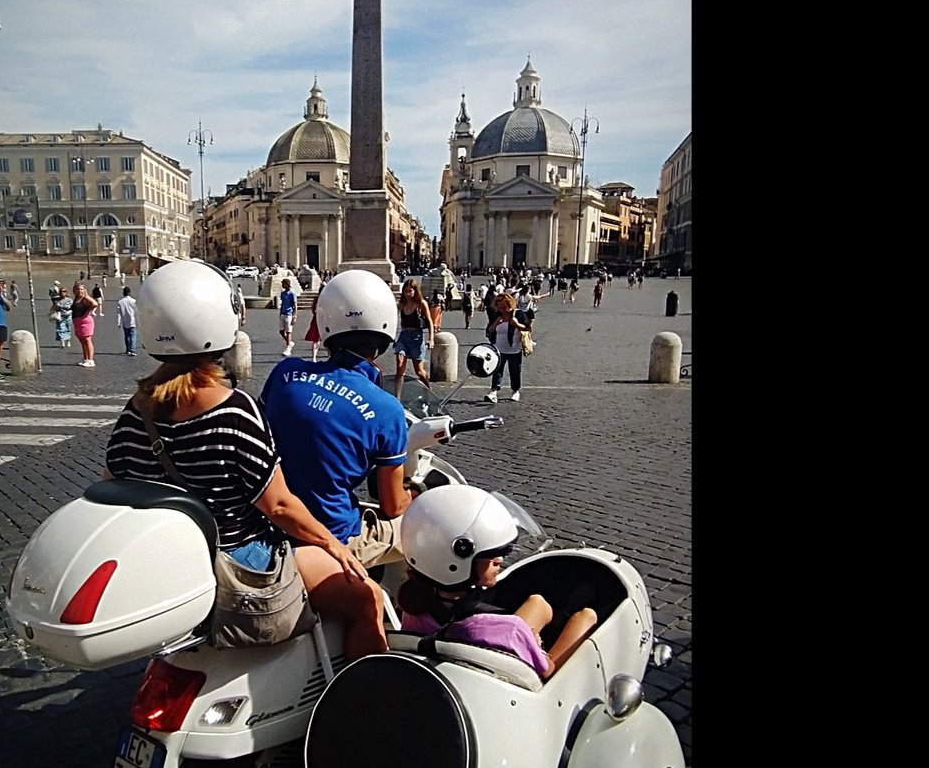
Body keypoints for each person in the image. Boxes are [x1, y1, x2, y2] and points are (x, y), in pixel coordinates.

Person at [103, 259, 388, 660]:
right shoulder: (234, 410)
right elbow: (279, 505)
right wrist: (332, 545)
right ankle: (368, 705)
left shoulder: (136, 412)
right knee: (366, 598)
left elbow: (113, 485)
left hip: (177, 561)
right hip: (244, 556)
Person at [260, 268, 414, 574]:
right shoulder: (387, 408)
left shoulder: (284, 373)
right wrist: (414, 496)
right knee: (421, 533)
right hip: (334, 535)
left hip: (271, 523)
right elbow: (392, 505)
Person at [396, 485, 597, 680]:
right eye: (490, 556)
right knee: (587, 616)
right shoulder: (511, 629)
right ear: (459, 560)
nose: (499, 560)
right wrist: (536, 649)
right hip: (514, 671)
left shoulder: (413, 609)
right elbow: (548, 671)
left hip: (460, 661)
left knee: (538, 603)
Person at [484, 292, 530, 403]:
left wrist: (517, 325)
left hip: (514, 349)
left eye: (505, 307)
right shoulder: (496, 315)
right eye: (500, 307)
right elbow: (489, 331)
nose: (503, 310)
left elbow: (527, 328)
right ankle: (494, 391)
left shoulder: (518, 314)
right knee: (497, 371)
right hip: (498, 349)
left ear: (511, 305)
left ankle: (515, 391)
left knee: (515, 371)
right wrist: (495, 324)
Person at [393, 278, 434, 400]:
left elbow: (429, 321)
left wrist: (431, 338)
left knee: (419, 371)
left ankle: (429, 392)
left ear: (415, 291)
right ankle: (397, 398)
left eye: (410, 291)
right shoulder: (401, 304)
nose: (408, 294)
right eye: (406, 291)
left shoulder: (421, 304)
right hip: (404, 337)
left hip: (417, 338)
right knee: (400, 367)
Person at [71, 282, 98, 367]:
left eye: (81, 289)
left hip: (85, 321)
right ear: (75, 290)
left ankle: (91, 360)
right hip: (77, 322)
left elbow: (95, 304)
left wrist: (88, 311)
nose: (80, 291)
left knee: (87, 340)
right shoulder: (75, 299)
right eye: (78, 289)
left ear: (84, 290)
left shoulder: (85, 299)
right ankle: (85, 359)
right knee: (82, 342)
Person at [116, 285, 138, 355]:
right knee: (132, 335)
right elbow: (137, 311)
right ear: (129, 292)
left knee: (127, 336)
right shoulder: (133, 301)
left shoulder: (120, 302)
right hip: (133, 321)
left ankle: (128, 349)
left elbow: (118, 313)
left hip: (124, 321)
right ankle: (132, 350)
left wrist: (118, 322)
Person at [278, 278, 297, 356]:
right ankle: (290, 343)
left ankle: (288, 348)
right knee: (281, 331)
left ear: (286, 284)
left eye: (283, 283)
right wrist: (280, 312)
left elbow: (295, 305)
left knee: (288, 331)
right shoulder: (282, 293)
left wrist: (294, 316)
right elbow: (282, 303)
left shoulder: (292, 293)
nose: (282, 285)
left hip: (289, 314)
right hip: (283, 313)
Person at [304, 291, 322, 360]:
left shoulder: (317, 298)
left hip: (317, 318)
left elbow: (313, 309)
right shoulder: (326, 298)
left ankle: (314, 357)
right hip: (325, 319)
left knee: (316, 339)